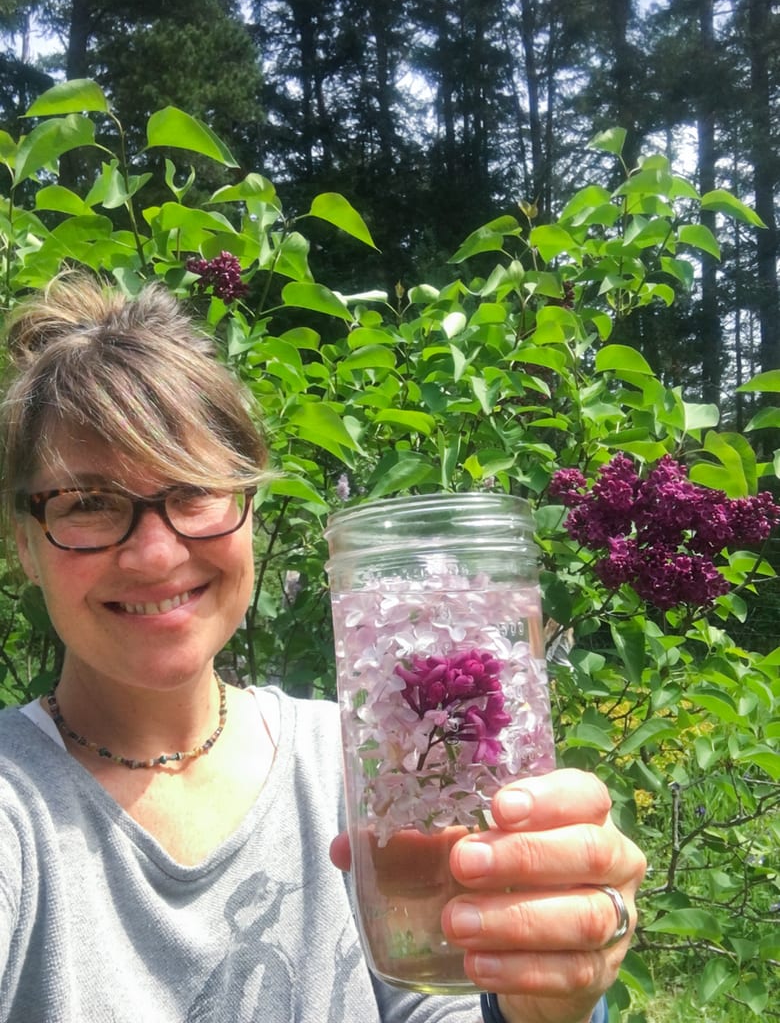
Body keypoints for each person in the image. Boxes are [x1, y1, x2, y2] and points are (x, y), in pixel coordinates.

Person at [0, 274, 646, 1023]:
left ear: (249, 509)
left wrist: (549, 1000)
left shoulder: (360, 764)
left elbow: (441, 1003)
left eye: (194, 491)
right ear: (23, 542)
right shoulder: (17, 809)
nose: (154, 554)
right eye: (89, 503)